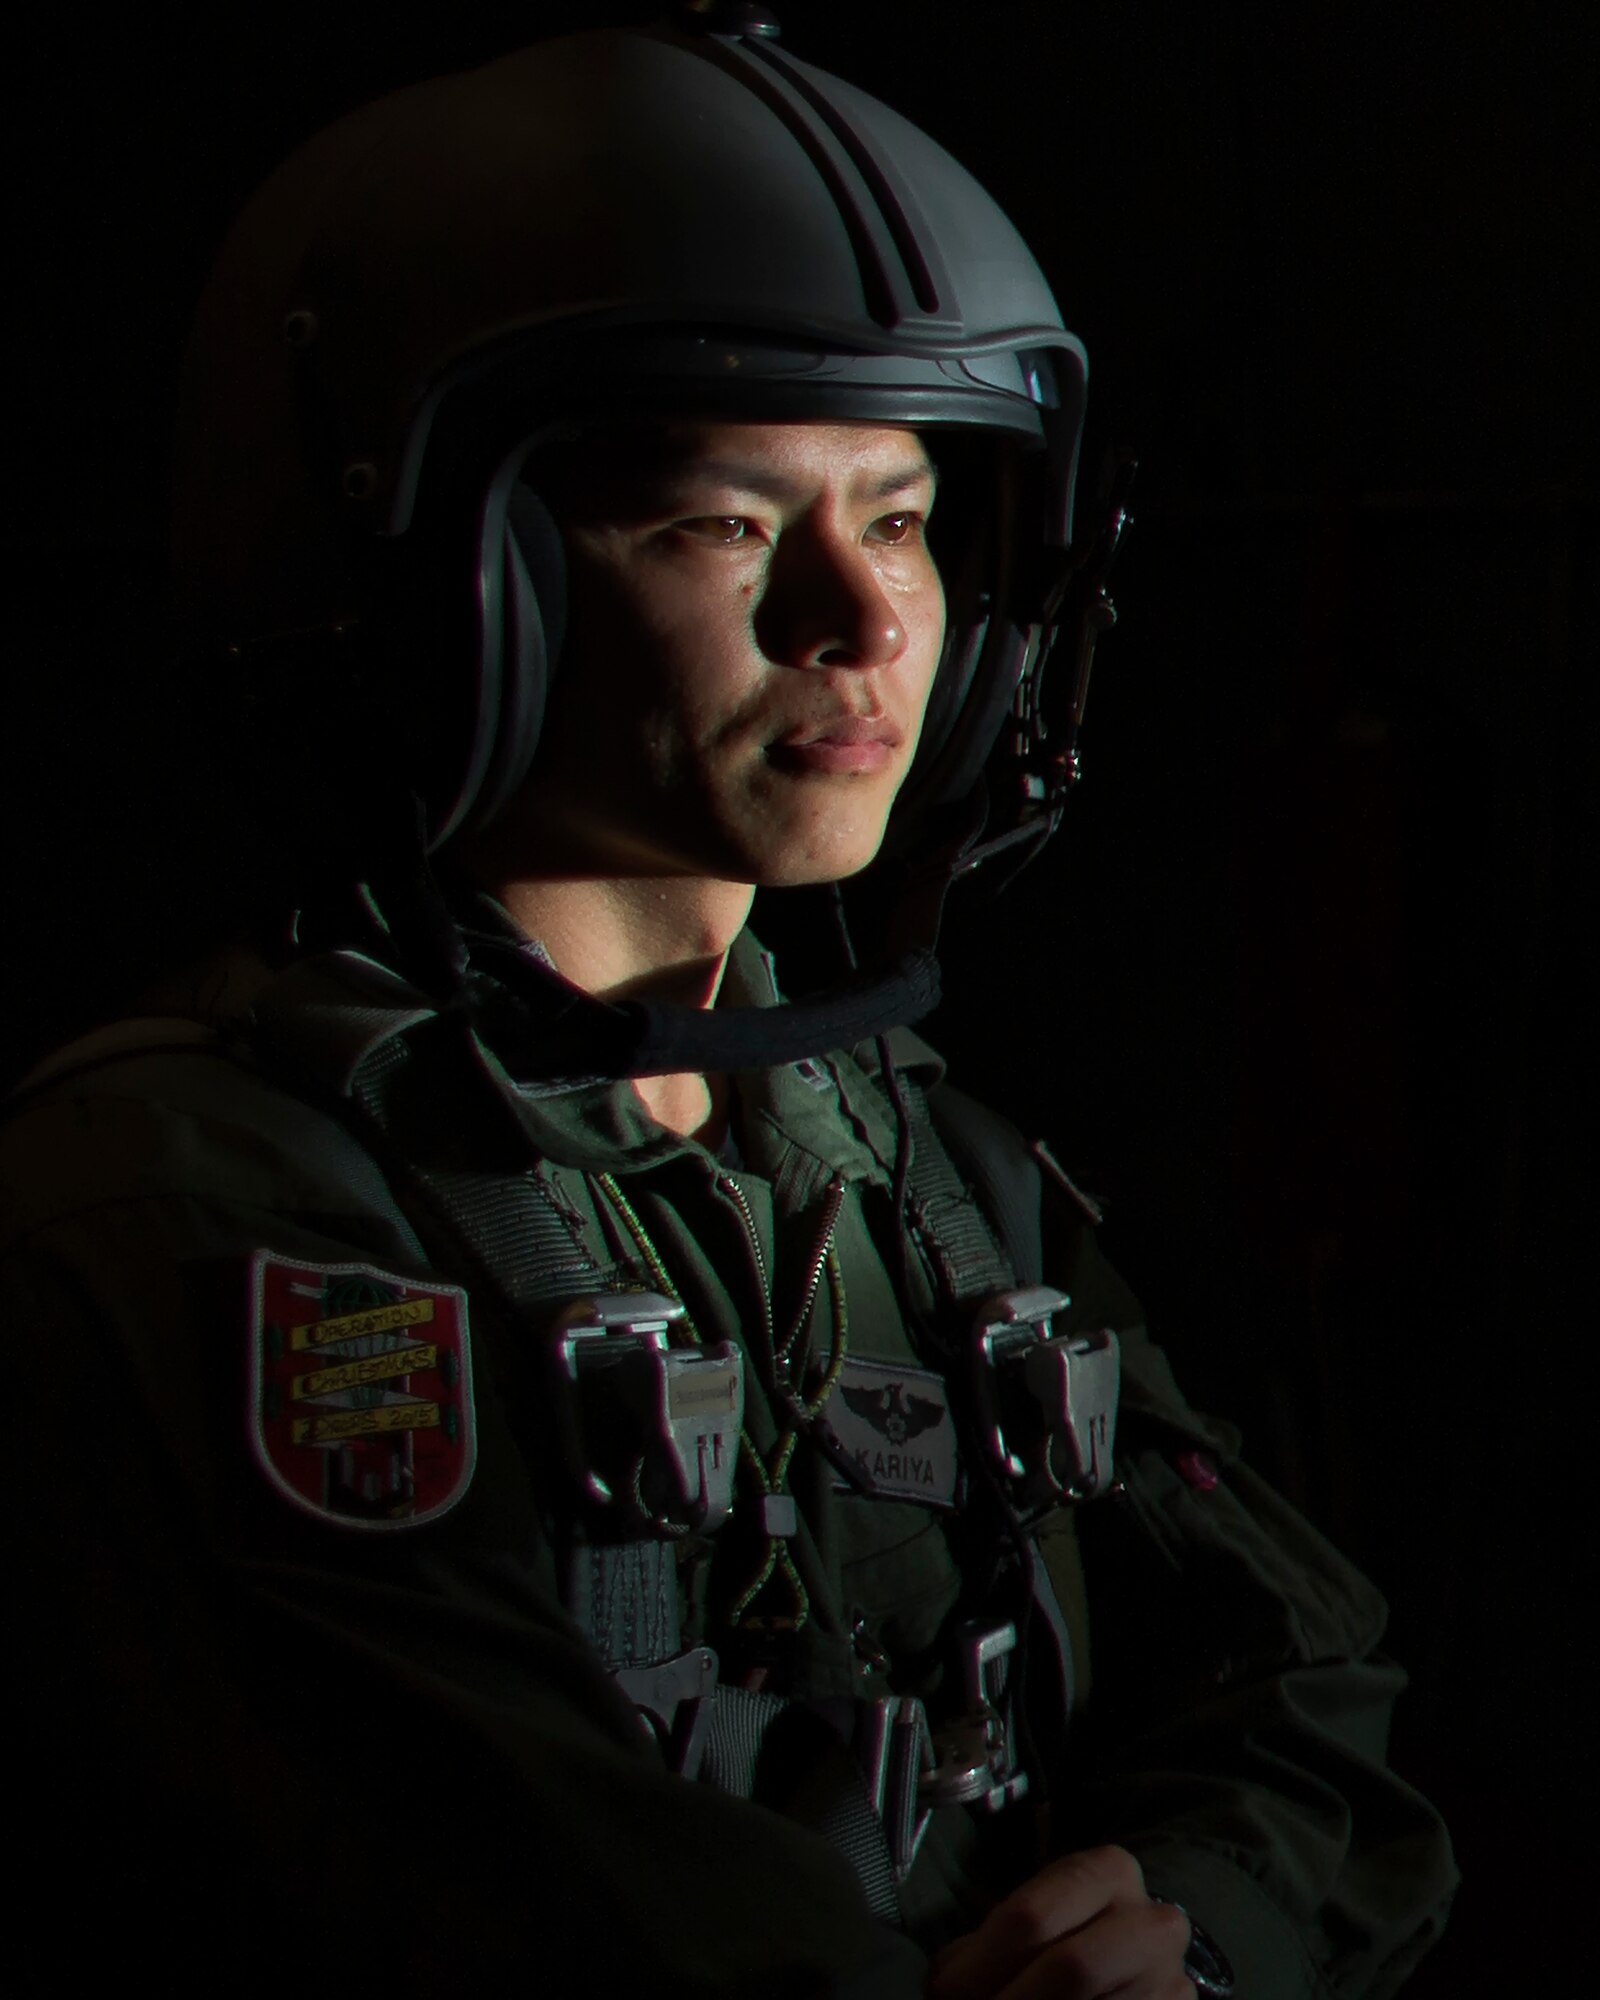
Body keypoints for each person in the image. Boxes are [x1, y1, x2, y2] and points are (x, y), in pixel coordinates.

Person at [5, 8, 1456, 1995]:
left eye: (898, 516)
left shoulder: (911, 1167)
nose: (861, 620)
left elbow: (1309, 1693)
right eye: (721, 522)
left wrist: (1187, 1931)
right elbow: (510, 1870)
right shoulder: (203, 1193)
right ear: (450, 586)